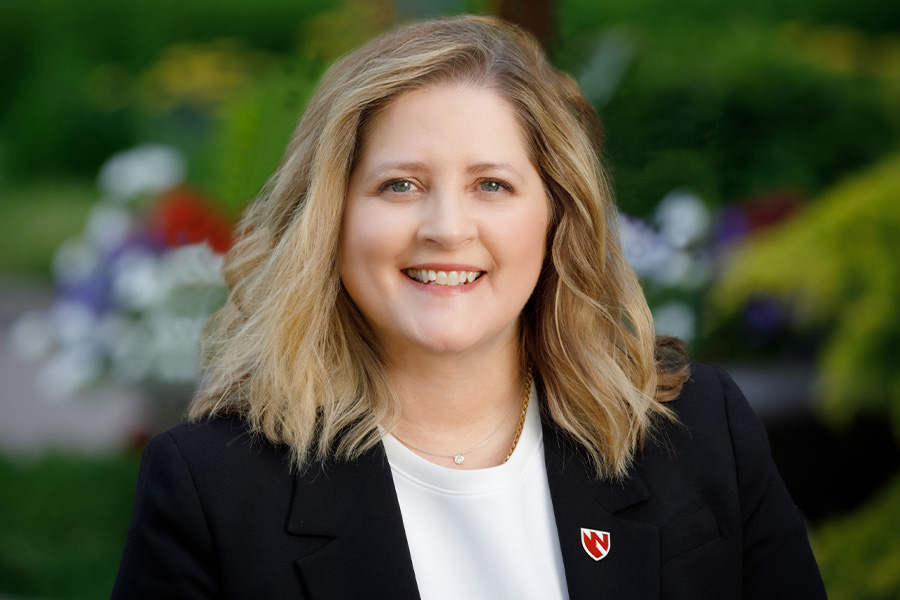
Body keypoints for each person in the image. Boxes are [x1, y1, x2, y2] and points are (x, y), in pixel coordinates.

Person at [112, 15, 826, 599]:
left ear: (558, 217)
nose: (447, 228)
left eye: (492, 185)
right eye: (399, 185)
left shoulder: (701, 434)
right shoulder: (212, 489)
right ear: (330, 218)